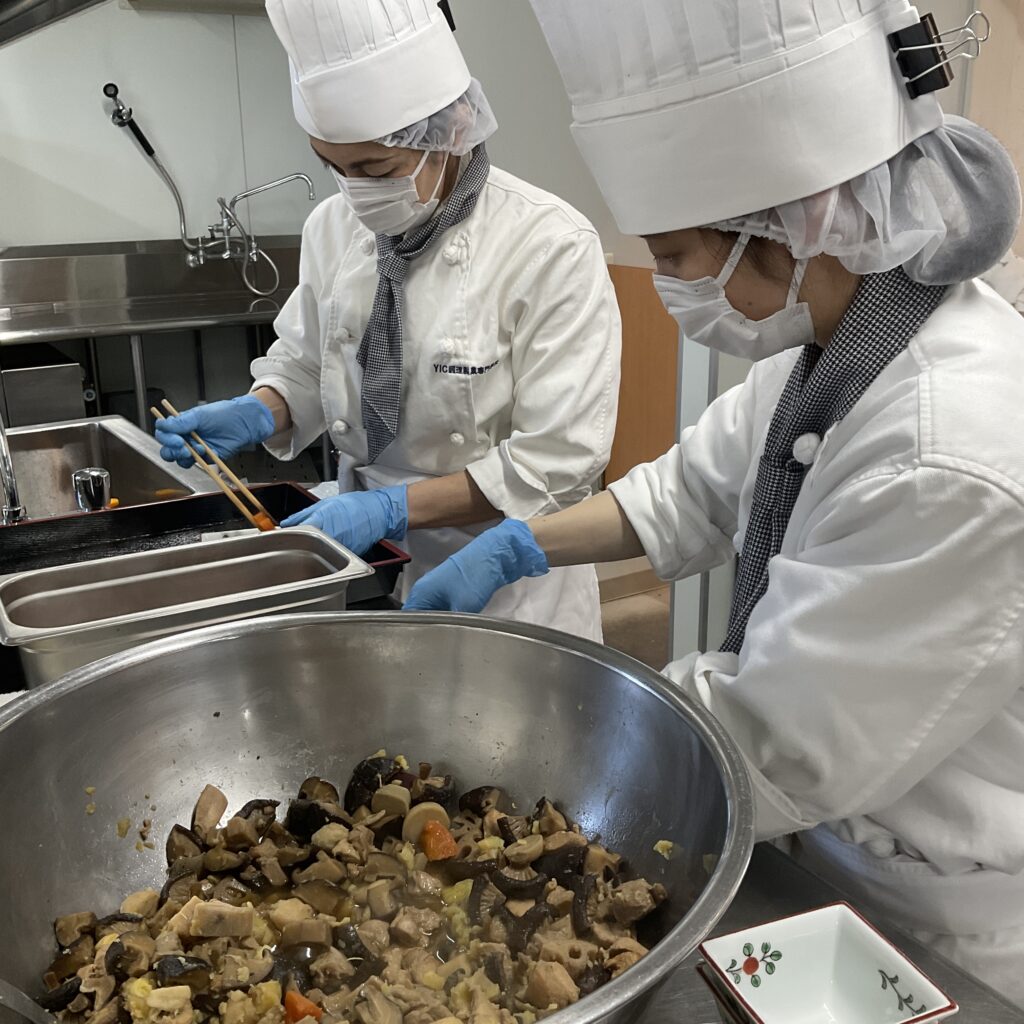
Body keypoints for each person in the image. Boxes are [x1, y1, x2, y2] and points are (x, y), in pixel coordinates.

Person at [404, 0, 1024, 1004]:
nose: (669, 287)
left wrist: (533, 723)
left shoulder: (945, 451)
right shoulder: (837, 347)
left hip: (934, 914)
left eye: (677, 257)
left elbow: (775, 739)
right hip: (827, 851)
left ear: (795, 225)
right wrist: (517, 546)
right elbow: (683, 493)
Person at [155, 0, 620, 641]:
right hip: (364, 562)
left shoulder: (549, 245)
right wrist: (263, 408)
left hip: (499, 574)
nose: (355, 191)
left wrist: (390, 508)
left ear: (452, 128)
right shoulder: (332, 226)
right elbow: (309, 362)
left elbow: (559, 458)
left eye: (375, 169)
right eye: (334, 167)